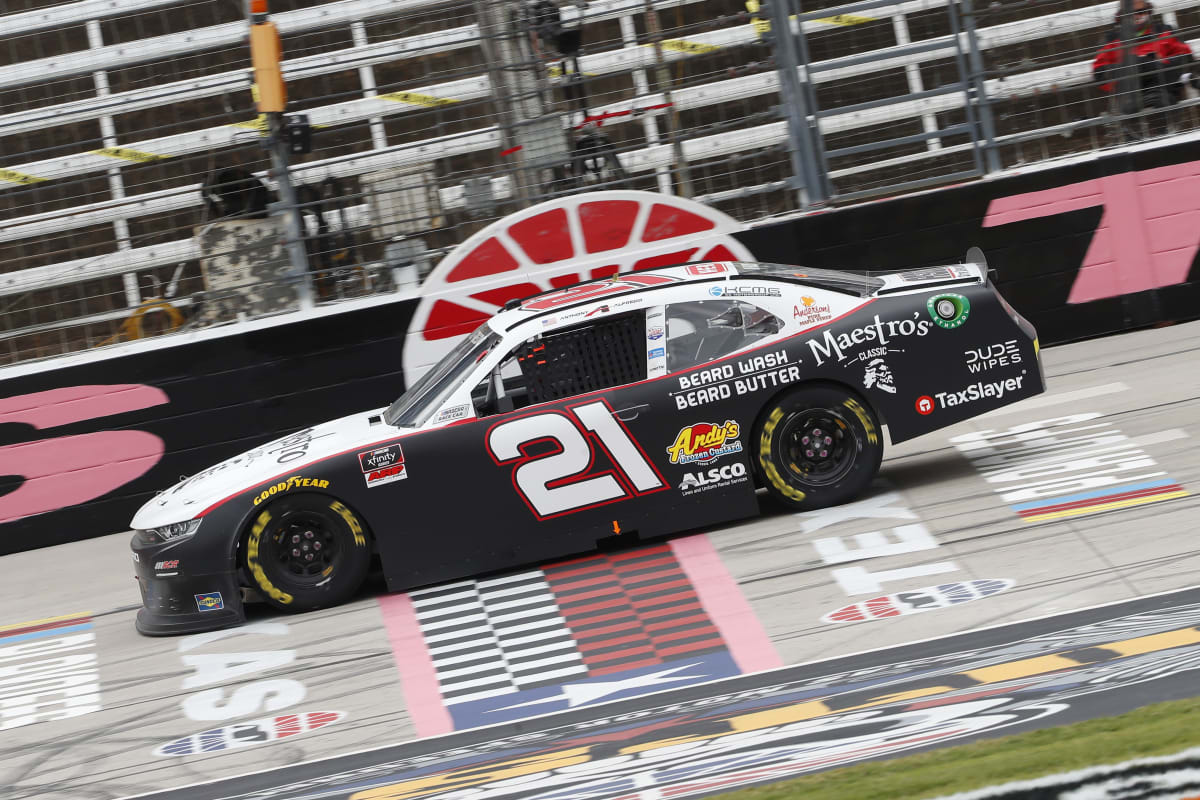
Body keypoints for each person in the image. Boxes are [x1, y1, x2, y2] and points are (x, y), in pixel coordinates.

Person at [1092, 0, 1196, 132]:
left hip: (1164, 88)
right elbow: (1100, 74)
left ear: (1148, 11)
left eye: (1141, 12)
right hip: (1130, 93)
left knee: (1160, 94)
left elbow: (1186, 58)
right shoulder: (1111, 40)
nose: (1137, 16)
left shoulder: (1164, 31)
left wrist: (1152, 65)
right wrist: (1133, 67)